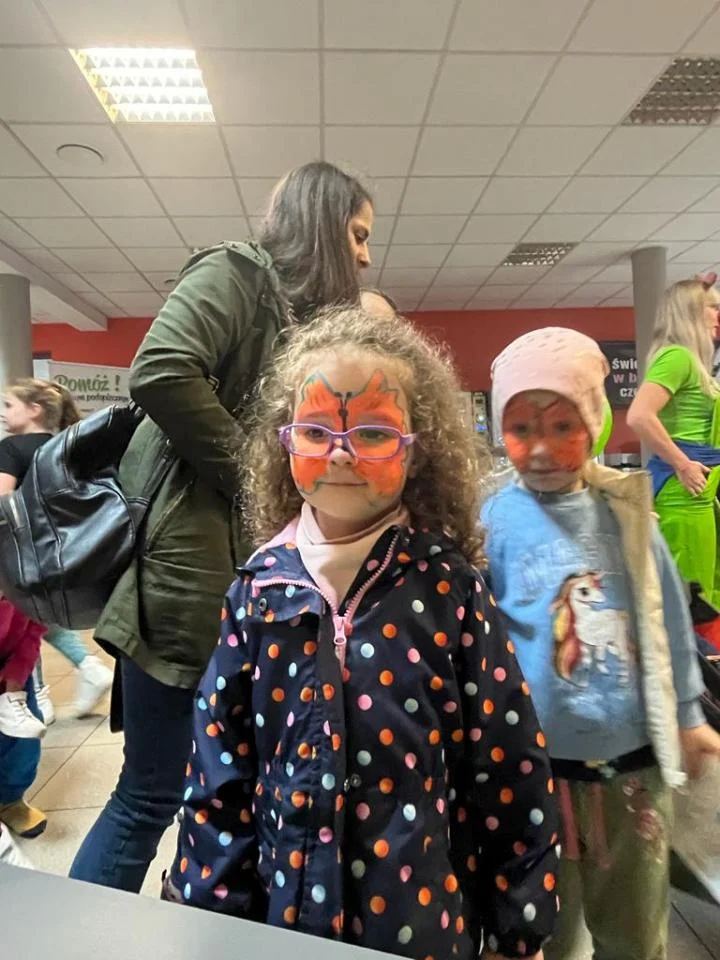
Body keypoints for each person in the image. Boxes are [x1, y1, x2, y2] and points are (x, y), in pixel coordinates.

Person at [162, 306, 559, 960]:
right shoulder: (259, 591)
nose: (341, 452)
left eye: (373, 432)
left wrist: (519, 926)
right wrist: (211, 912)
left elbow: (507, 763)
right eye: (316, 431)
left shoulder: (449, 591)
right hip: (284, 924)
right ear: (284, 441)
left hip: (422, 925)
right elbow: (218, 770)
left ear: (417, 448)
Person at [69, 162, 375, 892]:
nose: (365, 256)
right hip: (189, 580)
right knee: (150, 795)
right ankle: (74, 937)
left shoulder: (296, 319)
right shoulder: (239, 272)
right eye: (358, 234)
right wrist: (257, 479)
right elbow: (160, 368)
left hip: (242, 576)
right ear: (323, 223)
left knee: (227, 794)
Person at [481, 328, 720, 960]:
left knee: (634, 929)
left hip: (632, 771)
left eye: (563, 426)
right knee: (548, 935)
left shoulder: (626, 512)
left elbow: (669, 619)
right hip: (534, 775)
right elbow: (479, 638)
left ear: (594, 423)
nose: (540, 448)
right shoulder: (494, 521)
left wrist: (689, 716)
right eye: (521, 429)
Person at [0, 379, 113, 722]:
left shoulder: (11, 449)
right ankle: (84, 669)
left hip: (19, 554)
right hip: (62, 550)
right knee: (35, 621)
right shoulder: (65, 446)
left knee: (22, 626)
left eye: (9, 405)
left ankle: (35, 696)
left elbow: (3, 504)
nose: (4, 413)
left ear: (34, 410)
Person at [628, 275, 720, 605]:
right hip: (684, 490)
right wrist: (682, 464)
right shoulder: (677, 358)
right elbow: (639, 415)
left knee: (704, 591)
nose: (718, 315)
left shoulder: (691, 361)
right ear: (691, 311)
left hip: (697, 491)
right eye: (712, 307)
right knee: (691, 597)